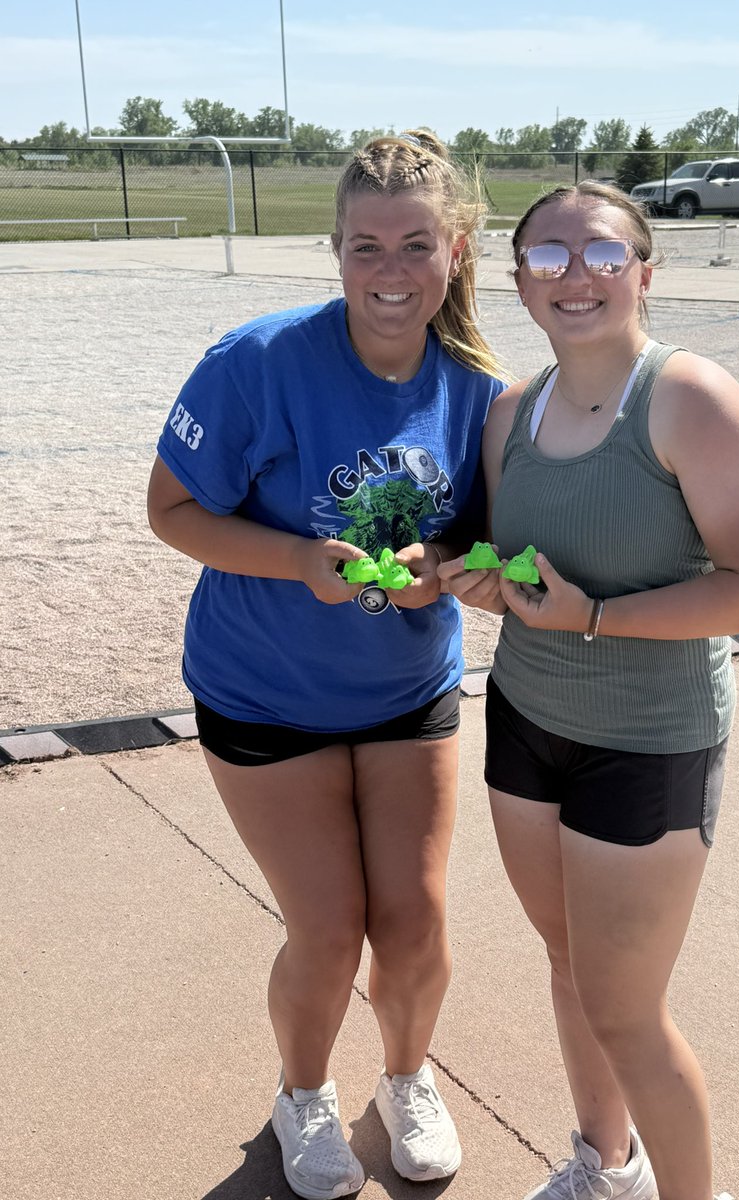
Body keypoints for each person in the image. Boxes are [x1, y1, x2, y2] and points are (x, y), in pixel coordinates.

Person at [147, 130, 506, 1200]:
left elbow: (480, 540)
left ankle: (406, 1077)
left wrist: (449, 568)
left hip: (407, 691)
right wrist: (303, 559)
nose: (389, 274)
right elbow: (171, 511)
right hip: (263, 688)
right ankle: (301, 1094)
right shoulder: (255, 362)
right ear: (335, 250)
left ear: (454, 249)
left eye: (414, 246)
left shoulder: (480, 389)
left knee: (416, 918)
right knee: (329, 924)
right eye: (365, 247)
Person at [438, 181, 739, 1200]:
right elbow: (520, 577)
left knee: (627, 1010)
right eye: (547, 258)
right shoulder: (512, 411)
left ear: (644, 271)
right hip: (527, 721)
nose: (574, 276)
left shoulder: (690, 399)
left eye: (600, 254)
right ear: (518, 283)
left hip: (651, 738)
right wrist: (473, 579)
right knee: (568, 961)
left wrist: (596, 618)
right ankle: (606, 1164)